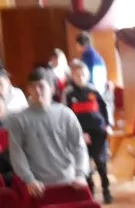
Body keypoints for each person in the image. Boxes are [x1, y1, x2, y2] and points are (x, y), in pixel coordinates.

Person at [6, 66, 90, 198]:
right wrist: (29, 179)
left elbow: (79, 146)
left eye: (41, 86)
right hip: (38, 187)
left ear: (52, 88)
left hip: (70, 182)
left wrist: (80, 174)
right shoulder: (19, 120)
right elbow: (17, 153)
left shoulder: (66, 114)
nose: (37, 91)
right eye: (33, 87)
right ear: (28, 90)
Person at [63, 59, 113, 203]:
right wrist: (79, 134)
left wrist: (108, 125)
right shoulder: (68, 93)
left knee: (100, 161)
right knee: (85, 164)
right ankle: (90, 192)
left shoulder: (94, 90)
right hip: (81, 134)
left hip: (98, 132)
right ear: (72, 76)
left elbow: (105, 108)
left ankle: (106, 189)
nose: (81, 77)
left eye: (83, 74)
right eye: (77, 75)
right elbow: (67, 117)